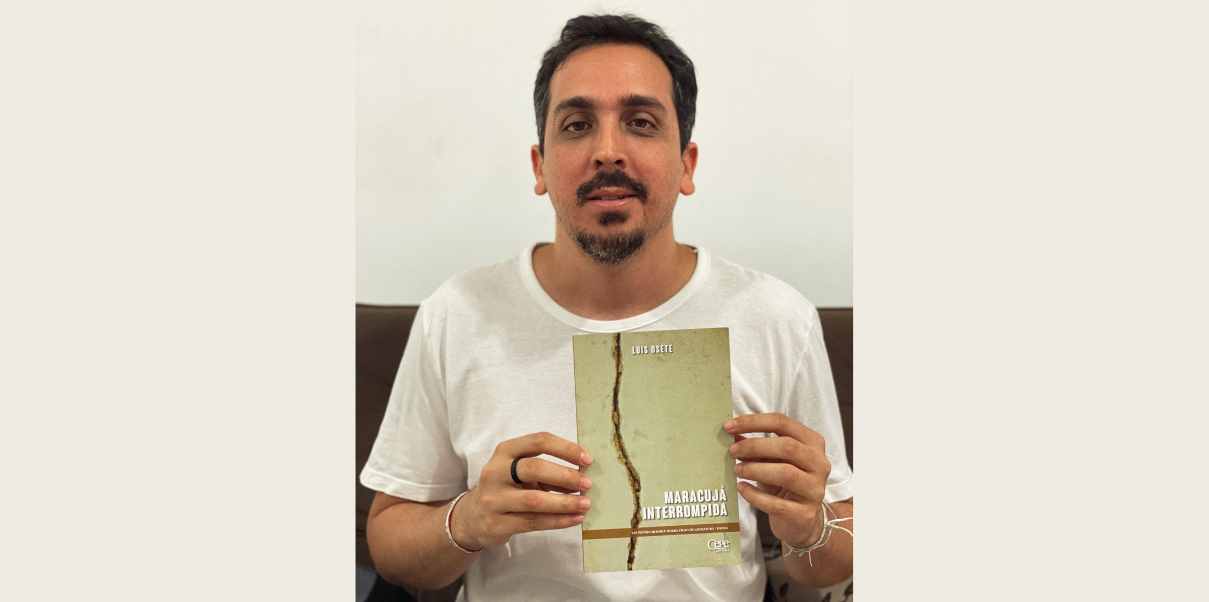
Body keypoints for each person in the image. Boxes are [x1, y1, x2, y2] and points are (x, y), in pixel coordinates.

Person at [360, 13, 853, 601]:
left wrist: (811, 528)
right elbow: (390, 548)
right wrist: (466, 522)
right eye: (577, 125)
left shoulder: (776, 318)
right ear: (540, 167)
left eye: (641, 123)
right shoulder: (457, 315)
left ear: (686, 164)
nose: (608, 151)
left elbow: (837, 552)